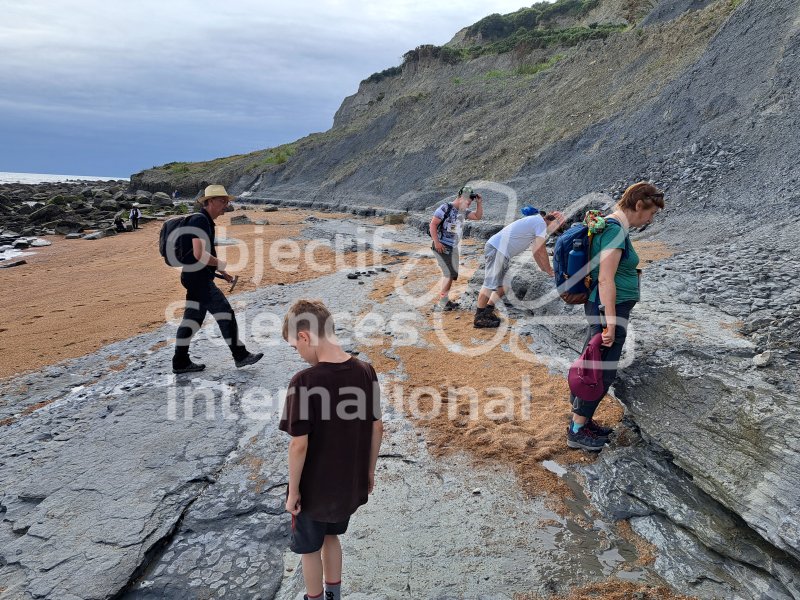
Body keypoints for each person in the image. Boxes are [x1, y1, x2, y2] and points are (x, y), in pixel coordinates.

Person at [280, 299, 383, 600]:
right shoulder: (366, 371)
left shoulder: (304, 382)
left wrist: (293, 492)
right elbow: (377, 427)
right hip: (347, 483)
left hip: (314, 489)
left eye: (294, 347)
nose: (298, 355)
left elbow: (299, 444)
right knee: (331, 536)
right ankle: (334, 596)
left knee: (308, 549)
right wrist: (368, 471)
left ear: (304, 336)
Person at [567, 182, 665, 451]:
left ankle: (581, 421)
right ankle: (577, 430)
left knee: (593, 364)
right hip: (608, 310)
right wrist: (611, 323)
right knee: (600, 370)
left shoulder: (613, 227)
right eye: (652, 213)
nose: (651, 219)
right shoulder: (614, 230)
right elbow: (606, 280)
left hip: (606, 309)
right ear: (639, 205)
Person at [171, 184, 263, 374]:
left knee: (192, 321)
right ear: (209, 201)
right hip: (198, 279)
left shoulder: (203, 221)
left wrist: (223, 273)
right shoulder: (200, 221)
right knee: (225, 314)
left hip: (195, 277)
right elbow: (199, 254)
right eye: (222, 201)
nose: (226, 206)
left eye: (227, 201)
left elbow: (200, 256)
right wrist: (220, 263)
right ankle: (240, 356)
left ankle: (180, 362)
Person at [474, 209, 565, 328]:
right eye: (557, 229)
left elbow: (536, 251)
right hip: (497, 249)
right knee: (489, 284)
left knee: (505, 285)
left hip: (501, 252)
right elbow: (541, 249)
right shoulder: (540, 224)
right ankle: (479, 318)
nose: (554, 232)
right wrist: (549, 270)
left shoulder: (537, 223)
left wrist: (544, 270)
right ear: (554, 222)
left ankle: (487, 311)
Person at [429, 185, 483, 310]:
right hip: (442, 245)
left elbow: (477, 216)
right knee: (449, 274)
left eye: (470, 203)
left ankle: (444, 300)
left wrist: (479, 203)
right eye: (467, 202)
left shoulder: (463, 211)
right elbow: (433, 224)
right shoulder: (445, 208)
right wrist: (436, 242)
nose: (468, 205)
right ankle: (443, 302)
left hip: (453, 246)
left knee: (451, 275)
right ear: (460, 198)